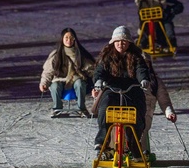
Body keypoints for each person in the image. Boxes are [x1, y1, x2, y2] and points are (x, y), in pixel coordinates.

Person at [91, 26, 150, 157]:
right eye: (117, 41)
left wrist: (143, 79)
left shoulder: (136, 57)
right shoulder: (107, 57)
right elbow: (99, 71)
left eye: (123, 41)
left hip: (131, 89)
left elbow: (141, 70)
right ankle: (101, 142)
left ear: (128, 42)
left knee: (137, 112)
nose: (120, 44)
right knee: (105, 108)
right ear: (113, 42)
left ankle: (134, 144)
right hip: (112, 89)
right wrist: (99, 81)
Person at [39, 27, 96, 118]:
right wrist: (44, 83)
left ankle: (81, 108)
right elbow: (48, 71)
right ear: (62, 39)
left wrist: (96, 84)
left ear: (74, 39)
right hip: (60, 78)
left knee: (80, 84)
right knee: (55, 86)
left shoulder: (80, 54)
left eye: (71, 38)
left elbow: (91, 69)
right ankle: (57, 108)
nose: (68, 40)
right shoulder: (56, 54)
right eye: (66, 38)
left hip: (76, 78)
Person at [139, 52, 176, 157]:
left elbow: (164, 100)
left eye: (145, 63)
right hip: (132, 109)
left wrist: (169, 112)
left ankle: (143, 151)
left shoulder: (155, 81)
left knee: (141, 126)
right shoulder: (129, 78)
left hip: (146, 110)